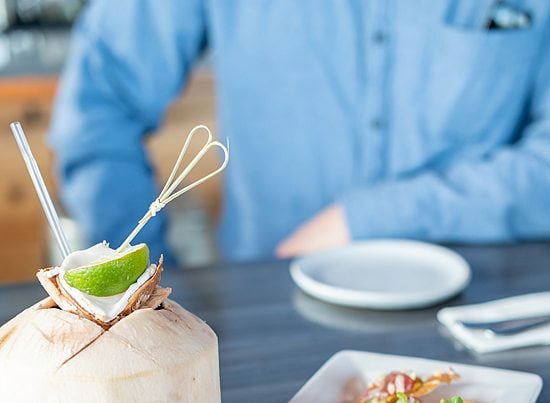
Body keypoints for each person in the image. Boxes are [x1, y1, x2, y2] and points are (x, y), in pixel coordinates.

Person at [50, 0, 550, 265]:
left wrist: (368, 218)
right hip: (271, 310)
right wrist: (139, 283)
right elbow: (99, 107)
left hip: (496, 320)